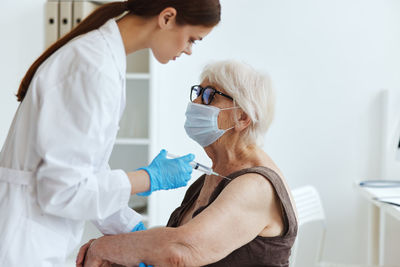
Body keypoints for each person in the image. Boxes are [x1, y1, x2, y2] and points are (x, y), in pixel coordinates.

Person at [0, 0, 221, 266]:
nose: (188, 51)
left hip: (33, 237)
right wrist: (149, 179)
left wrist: (130, 228)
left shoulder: (103, 59)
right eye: (192, 39)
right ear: (167, 18)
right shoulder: (93, 66)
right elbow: (64, 189)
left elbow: (87, 170)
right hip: (22, 244)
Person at [77, 60, 298, 267]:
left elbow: (182, 250)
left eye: (210, 96)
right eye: (198, 92)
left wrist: (104, 248)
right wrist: (126, 252)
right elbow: (177, 238)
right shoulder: (214, 174)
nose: (196, 103)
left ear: (242, 118)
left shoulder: (256, 186)